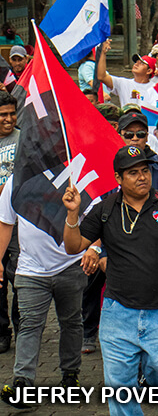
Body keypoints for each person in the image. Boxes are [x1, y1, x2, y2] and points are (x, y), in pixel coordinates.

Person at [60, 146, 158, 416]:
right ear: (118, 177)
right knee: (119, 387)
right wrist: (72, 213)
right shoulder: (105, 210)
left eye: (145, 171)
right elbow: (73, 246)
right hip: (118, 312)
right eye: (134, 173)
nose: (142, 177)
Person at [0, 174, 85, 410]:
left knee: (71, 322)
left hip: (71, 265)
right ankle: (23, 382)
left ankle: (70, 376)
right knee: (29, 323)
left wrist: (94, 249)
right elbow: (5, 222)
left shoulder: (77, 174)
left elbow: (95, 218)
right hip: (30, 268)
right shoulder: (17, 180)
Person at [118, 112, 158, 195]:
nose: (135, 138)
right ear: (120, 137)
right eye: (129, 134)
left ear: (147, 137)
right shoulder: (110, 167)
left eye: (140, 134)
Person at [0, 92, 17, 356]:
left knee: (20, 277)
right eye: (3, 114)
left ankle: (23, 327)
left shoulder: (24, 139)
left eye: (12, 113)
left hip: (17, 222)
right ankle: (2, 332)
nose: (9, 119)